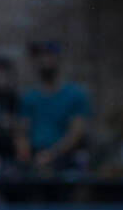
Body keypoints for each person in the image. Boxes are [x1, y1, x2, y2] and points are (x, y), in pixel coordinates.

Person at [15, 40, 91, 174]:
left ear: (58, 59)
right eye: (40, 56)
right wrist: (26, 157)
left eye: (49, 56)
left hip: (64, 157)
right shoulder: (28, 98)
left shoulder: (75, 94)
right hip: (35, 157)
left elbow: (76, 133)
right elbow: (22, 132)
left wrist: (51, 155)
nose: (45, 60)